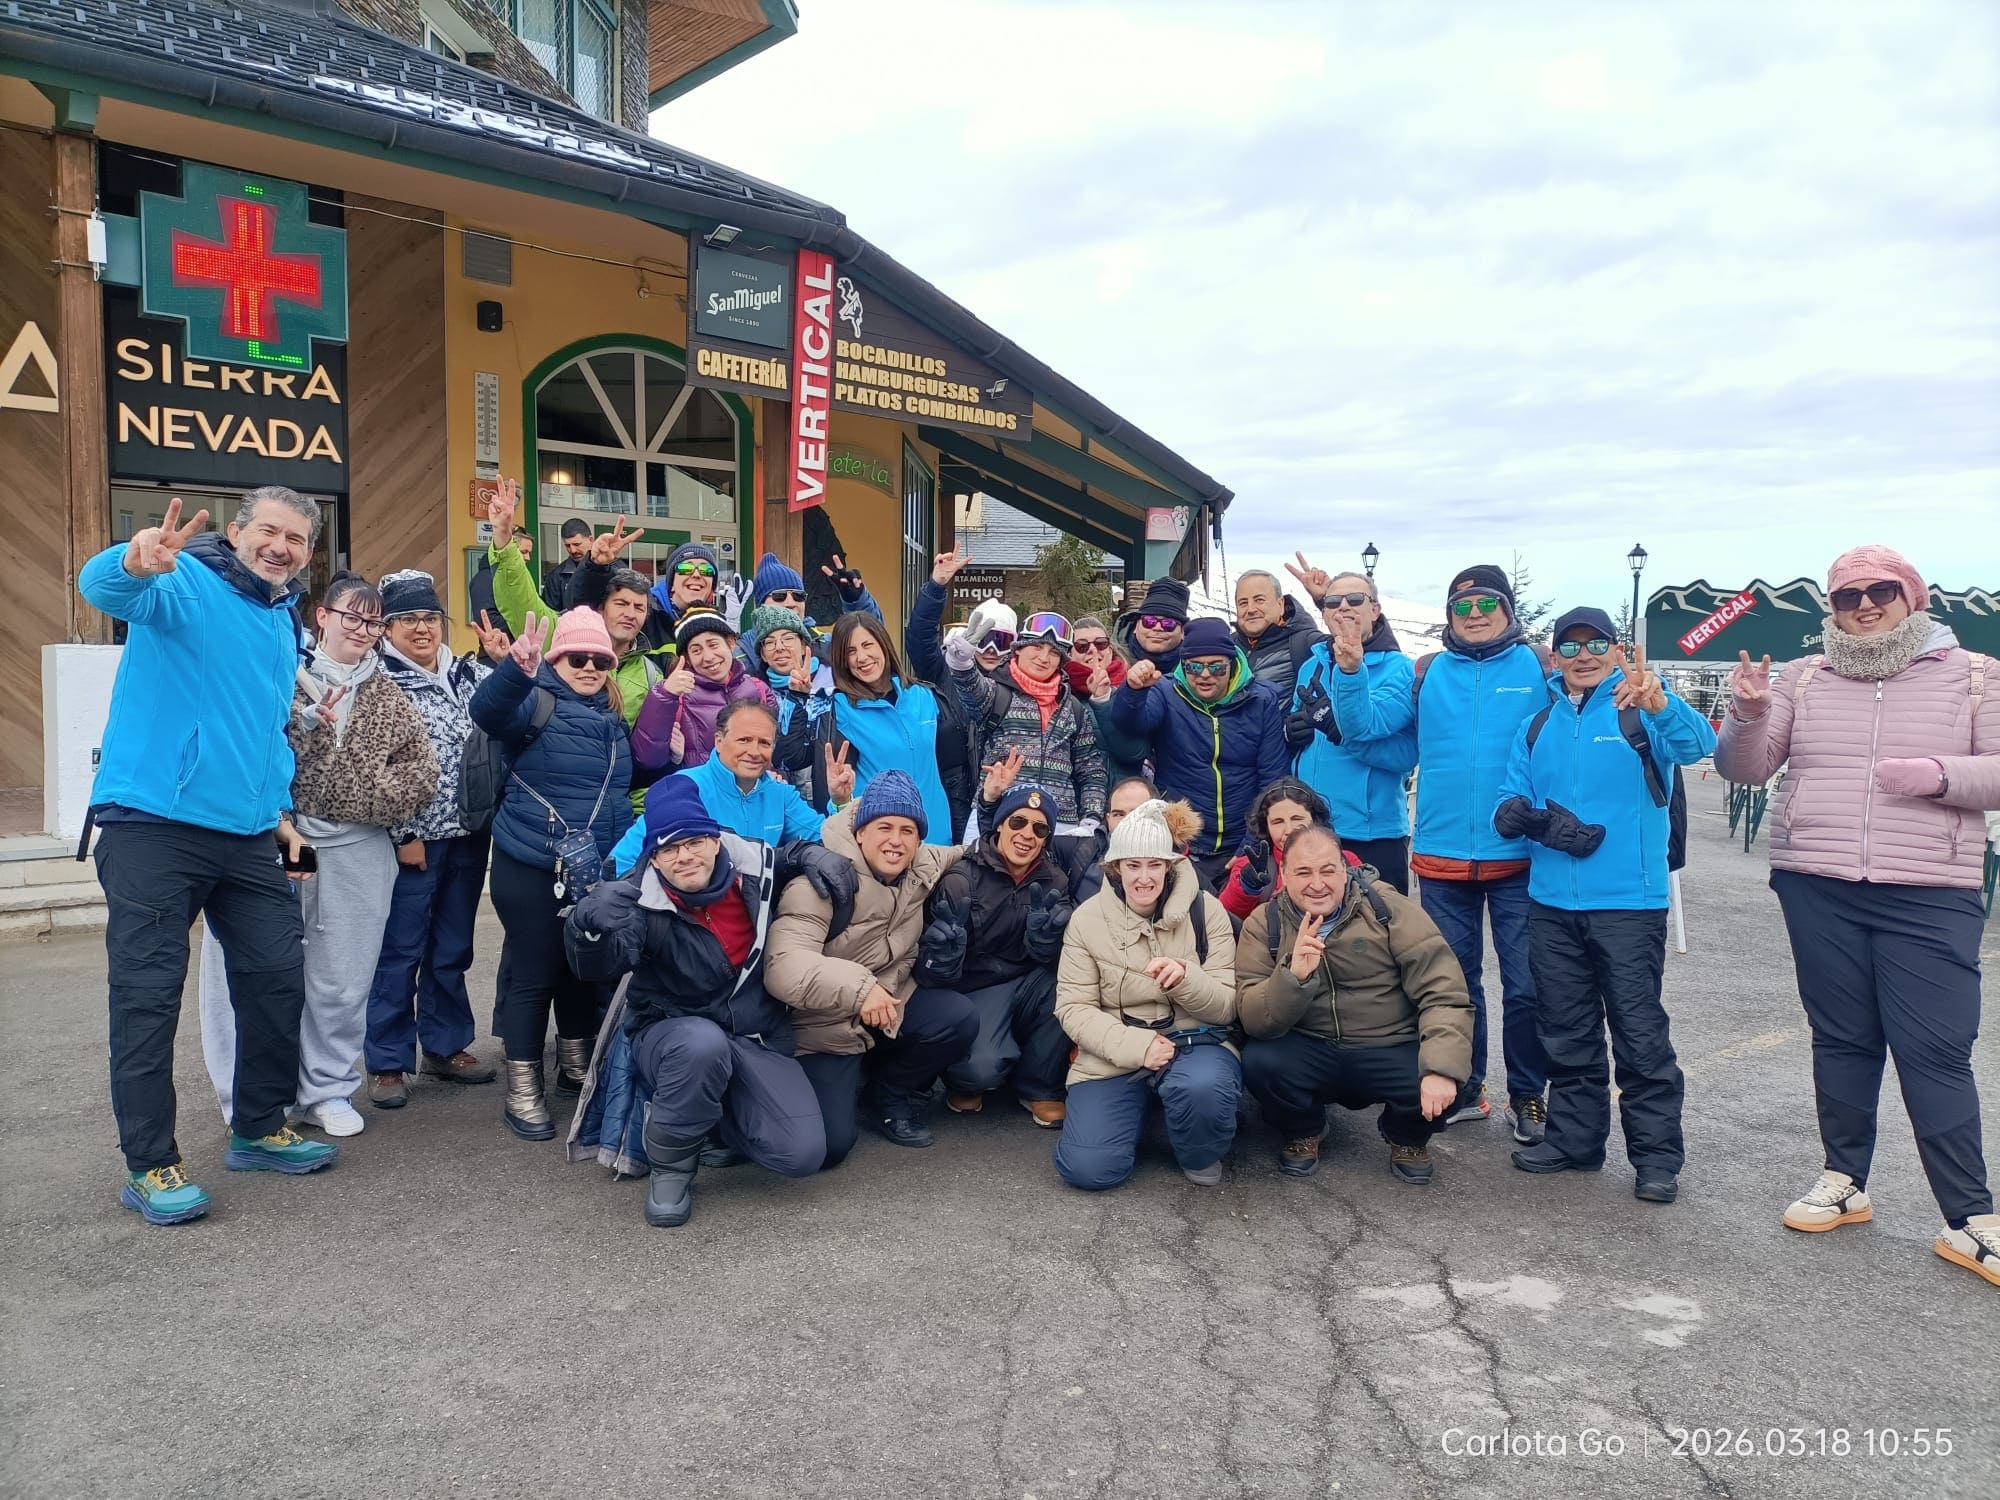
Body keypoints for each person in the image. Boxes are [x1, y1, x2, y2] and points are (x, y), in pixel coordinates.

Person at [1715, 545, 2000, 1285]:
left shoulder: (1974, 675)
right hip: (1818, 881)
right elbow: (1743, 768)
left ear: (1913, 597)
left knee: (1935, 1049)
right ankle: (1845, 1180)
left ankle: (1970, 1217)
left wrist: (1938, 775)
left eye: (1880, 591)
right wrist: (1748, 713)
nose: (1865, 605)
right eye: (1847, 596)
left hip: (1929, 888)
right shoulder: (1804, 677)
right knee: (1842, 1037)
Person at [81, 489, 341, 1224]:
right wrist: (132, 561)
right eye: (269, 531)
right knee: (148, 996)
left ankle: (258, 1127)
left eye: (296, 538)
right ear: (237, 532)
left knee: (276, 976)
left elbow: (263, 728)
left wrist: (280, 817)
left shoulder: (280, 616)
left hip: (248, 833)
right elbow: (105, 588)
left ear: (308, 553)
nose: (281, 546)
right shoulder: (185, 580)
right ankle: (150, 1164)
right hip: (153, 824)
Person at [199, 570, 438, 1139]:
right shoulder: (277, 673)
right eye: (351, 616)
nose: (362, 629)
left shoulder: (389, 694)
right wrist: (284, 811)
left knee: (343, 979)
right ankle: (249, 1096)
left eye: (373, 622)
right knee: (245, 972)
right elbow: (245, 747)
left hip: (358, 847)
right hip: (265, 840)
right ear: (322, 617)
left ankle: (327, 1088)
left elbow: (421, 773)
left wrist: (357, 798)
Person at [1495, 610, 1716, 1198]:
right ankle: (1575, 1142)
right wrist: (1522, 816)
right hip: (1550, 903)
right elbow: (1512, 791)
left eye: (1596, 644)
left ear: (1615, 650)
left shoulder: (1638, 712)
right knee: (1565, 1031)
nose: (1584, 655)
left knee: (1639, 1034)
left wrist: (1660, 703)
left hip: (1629, 904)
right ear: (1555, 656)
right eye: (1570, 647)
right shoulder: (1538, 724)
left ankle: (1656, 1160)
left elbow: (1699, 745)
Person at [564, 778, 851, 1226]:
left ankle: (712, 1121)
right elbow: (600, 967)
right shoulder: (639, 900)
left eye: (694, 841)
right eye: (668, 849)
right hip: (673, 1036)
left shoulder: (754, 867)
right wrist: (587, 930)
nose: (684, 856)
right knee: (702, 1046)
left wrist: (810, 854)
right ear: (653, 857)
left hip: (754, 1034)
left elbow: (786, 856)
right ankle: (672, 1168)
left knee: (803, 1153)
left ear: (715, 840)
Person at [1333, 561, 1551, 1140]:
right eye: (1462, 606)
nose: (1474, 614)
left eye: (1487, 604)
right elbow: (1366, 728)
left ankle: (1528, 1094)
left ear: (1508, 610)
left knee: (1526, 986)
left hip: (1520, 854)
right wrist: (1350, 673)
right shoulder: (1427, 672)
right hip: (1442, 854)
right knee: (1454, 985)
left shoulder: (1539, 667)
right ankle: (1467, 1086)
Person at [471, 607, 634, 1140]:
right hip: (530, 863)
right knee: (534, 974)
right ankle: (523, 1090)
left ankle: (575, 1066)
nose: (589, 668)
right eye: (576, 658)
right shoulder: (533, 702)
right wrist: (515, 671)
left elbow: (615, 794)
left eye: (599, 660)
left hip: (589, 869)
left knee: (579, 969)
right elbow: (488, 712)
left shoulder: (612, 718)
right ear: (556, 659)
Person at [1236, 824, 1472, 1183]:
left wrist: (1441, 1068)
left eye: (1328, 870)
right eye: (1303, 872)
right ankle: (1304, 1130)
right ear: (1283, 873)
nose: (1317, 884)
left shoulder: (1389, 910)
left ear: (1345, 869)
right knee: (1258, 1061)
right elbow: (1252, 1017)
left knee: (1450, 1068)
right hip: (1311, 1044)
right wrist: (1293, 978)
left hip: (1387, 1042)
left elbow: (1444, 993)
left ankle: (1406, 1136)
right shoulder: (1265, 922)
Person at [763, 772, 978, 1161]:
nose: (896, 840)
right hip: (823, 1027)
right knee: (830, 1146)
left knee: (957, 1017)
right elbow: (783, 966)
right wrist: (860, 990)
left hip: (886, 1008)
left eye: (907, 830)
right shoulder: (820, 884)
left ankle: (887, 1092)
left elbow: (967, 851)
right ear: (860, 832)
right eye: (884, 828)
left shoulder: (922, 864)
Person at [1052, 798, 1240, 1190]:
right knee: (1088, 1168)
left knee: (1203, 1089)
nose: (1144, 877)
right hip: (1115, 1048)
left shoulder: (1206, 910)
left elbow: (1226, 1007)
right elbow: (1073, 1007)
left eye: (1154, 864)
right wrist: (1138, 1047)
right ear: (1115, 867)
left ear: (1169, 866)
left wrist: (1187, 979)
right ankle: (1139, 1109)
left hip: (1193, 1040)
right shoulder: (1086, 920)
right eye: (1133, 865)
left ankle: (1196, 1147)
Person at [362, 570, 497, 1109]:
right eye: (407, 620)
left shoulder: (469, 674)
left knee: (452, 945)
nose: (421, 629)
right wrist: (405, 833)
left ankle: (445, 1045)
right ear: (386, 628)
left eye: (430, 618)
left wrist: (509, 664)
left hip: (469, 833)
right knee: (401, 948)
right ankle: (387, 1060)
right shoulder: (377, 680)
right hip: (415, 840)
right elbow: (375, 767)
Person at [917, 781, 1075, 1127]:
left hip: (1029, 981)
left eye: (1040, 828)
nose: (1027, 834)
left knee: (1068, 982)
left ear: (1047, 839)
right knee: (979, 1072)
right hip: (976, 986)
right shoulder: (961, 879)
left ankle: (1039, 1086)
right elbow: (928, 971)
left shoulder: (1056, 881)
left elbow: (1060, 953)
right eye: (1018, 821)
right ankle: (967, 1077)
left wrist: (1047, 944)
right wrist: (944, 958)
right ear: (1000, 824)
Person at [1110, 617, 1288, 889]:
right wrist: (1133, 690)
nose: (1205, 675)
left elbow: (1272, 779)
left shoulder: (1261, 701)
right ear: (1183, 665)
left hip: (1242, 840)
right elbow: (1129, 722)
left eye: (1216, 667)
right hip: (1182, 842)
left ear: (1231, 664)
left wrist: (1252, 842)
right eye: (1194, 666)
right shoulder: (1166, 691)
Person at [1283, 562, 1416, 894]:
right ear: (1324, 613)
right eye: (1333, 602)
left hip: (1372, 834)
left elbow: (1402, 752)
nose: (1343, 607)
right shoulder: (1312, 664)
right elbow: (1300, 721)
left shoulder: (1401, 670)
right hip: (1313, 826)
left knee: (1379, 922)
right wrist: (1292, 731)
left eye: (1355, 600)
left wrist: (1338, 730)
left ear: (1375, 610)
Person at [607, 699, 852, 874]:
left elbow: (829, 839)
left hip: (757, 913)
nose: (754, 751)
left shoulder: (779, 794)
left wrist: (840, 802)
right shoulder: (684, 788)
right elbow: (621, 863)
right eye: (744, 740)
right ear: (719, 740)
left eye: (764, 743)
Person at [944, 609, 1107, 838]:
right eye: (1037, 647)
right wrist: (960, 662)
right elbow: (970, 686)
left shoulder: (1074, 708)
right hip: (996, 814)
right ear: (1018, 649)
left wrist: (1091, 818)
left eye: (1054, 652)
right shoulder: (996, 694)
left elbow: (1091, 769)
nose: (1044, 658)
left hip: (1059, 824)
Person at [821, 612, 958, 842]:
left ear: (883, 644)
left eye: (867, 645)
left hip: (936, 838)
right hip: (883, 845)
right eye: (851, 651)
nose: (861, 657)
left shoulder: (924, 696)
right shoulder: (841, 709)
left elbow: (953, 770)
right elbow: (838, 789)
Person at [902, 547, 1001, 833]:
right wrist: (936, 588)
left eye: (1001, 641)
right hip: (946, 795)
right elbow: (919, 639)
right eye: (983, 640)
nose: (991, 649)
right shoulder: (942, 671)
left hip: (995, 799)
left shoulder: (1013, 687)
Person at [631, 609, 776, 775]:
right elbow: (647, 758)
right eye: (696, 650)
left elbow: (777, 751)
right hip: (701, 789)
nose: (708, 657)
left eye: (713, 644)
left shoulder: (759, 689)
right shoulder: (677, 696)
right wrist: (665, 695)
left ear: (730, 643)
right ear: (687, 658)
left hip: (754, 788)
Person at [1217, 777, 1337, 921]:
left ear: (1314, 819)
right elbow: (1222, 918)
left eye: (1297, 819)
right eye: (1278, 822)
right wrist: (1247, 888)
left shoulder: (1345, 860)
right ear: (1266, 827)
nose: (1289, 830)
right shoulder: (1248, 865)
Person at [747, 604, 834, 798]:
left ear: (803, 645)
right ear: (763, 654)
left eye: (787, 638)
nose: (780, 648)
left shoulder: (834, 680)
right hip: (781, 793)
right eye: (770, 642)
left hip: (831, 788)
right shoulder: (757, 693)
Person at [1067, 614, 1149, 786]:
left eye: (1100, 644)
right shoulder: (1062, 695)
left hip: (1125, 795)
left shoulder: (1131, 691)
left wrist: (1103, 700)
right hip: (1079, 796)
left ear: (1110, 651)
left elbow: (1134, 753)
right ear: (1069, 653)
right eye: (1082, 646)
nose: (1092, 650)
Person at [1068, 775, 1162, 905]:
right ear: (1108, 819)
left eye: (1137, 813)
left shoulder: (1179, 865)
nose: (1126, 822)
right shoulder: (1081, 854)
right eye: (1119, 814)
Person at [1232, 568, 1323, 699]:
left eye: (1259, 600)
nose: (1250, 609)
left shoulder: (1305, 642)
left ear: (1280, 605)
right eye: (1243, 603)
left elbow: (1348, 646)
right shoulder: (1228, 646)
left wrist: (1325, 600)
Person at [469, 530, 533, 664]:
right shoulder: (484, 579)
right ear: (508, 551)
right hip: (493, 660)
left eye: (529, 553)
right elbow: (488, 621)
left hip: (521, 656)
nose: (528, 558)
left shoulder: (519, 580)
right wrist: (528, 623)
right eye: (523, 552)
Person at [1113, 577, 1190, 671]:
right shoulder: (1107, 658)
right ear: (1136, 626)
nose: (1157, 628)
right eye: (1149, 621)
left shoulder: (1195, 667)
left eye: (1168, 624)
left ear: (1182, 632)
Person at [544, 517, 592, 611]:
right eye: (567, 545)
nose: (573, 550)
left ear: (591, 540)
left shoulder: (610, 569)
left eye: (577, 544)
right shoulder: (555, 577)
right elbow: (551, 614)